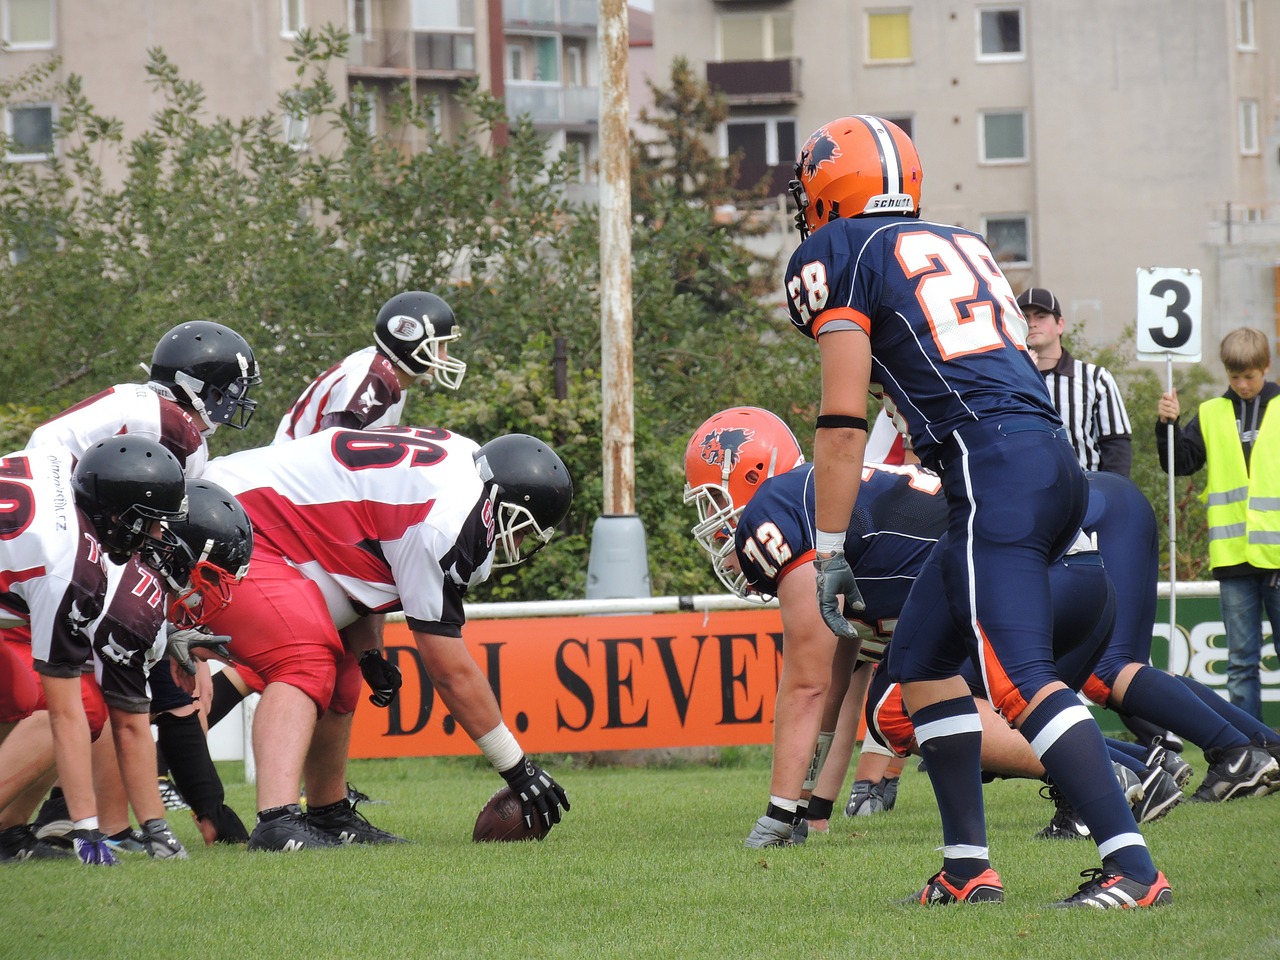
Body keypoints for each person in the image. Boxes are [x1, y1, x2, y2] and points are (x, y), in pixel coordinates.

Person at [784, 115, 1169, 908]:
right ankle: (967, 869)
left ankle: (1135, 869)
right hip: (1041, 460)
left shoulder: (841, 249)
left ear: (831, 187)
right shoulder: (962, 241)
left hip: (990, 467)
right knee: (920, 662)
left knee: (1020, 681)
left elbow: (842, 422)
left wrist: (828, 546)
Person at [200, 426, 573, 851]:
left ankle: (329, 812)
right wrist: (516, 768)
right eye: (522, 529)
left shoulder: (464, 462)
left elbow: (369, 543)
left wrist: (370, 650)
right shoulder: (449, 523)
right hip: (231, 520)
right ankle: (277, 822)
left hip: (255, 512)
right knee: (303, 661)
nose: (517, 542)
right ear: (501, 505)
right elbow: (449, 669)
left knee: (342, 668)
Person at [24, 319, 261, 846]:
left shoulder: (146, 408)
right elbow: (165, 522)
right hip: (64, 545)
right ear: (199, 385)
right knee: (108, 686)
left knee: (111, 685)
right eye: (227, 392)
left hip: (52, 531)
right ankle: (84, 818)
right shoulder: (177, 431)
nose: (232, 406)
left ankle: (89, 819)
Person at [3, 437, 189, 865]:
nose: (157, 534)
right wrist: (87, 825)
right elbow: (67, 713)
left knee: (15, 695)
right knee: (79, 706)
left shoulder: (55, 460)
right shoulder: (72, 567)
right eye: (150, 521)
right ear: (116, 512)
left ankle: (8, 832)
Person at [1075, 469, 1280, 801]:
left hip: (1092, 510)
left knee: (1107, 671)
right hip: (1105, 499)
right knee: (1129, 670)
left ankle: (1237, 754)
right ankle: (1263, 744)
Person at [1157, 326, 1280, 723]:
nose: (1243, 385)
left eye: (1250, 376)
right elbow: (1180, 463)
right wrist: (1168, 426)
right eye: (1234, 377)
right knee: (1241, 663)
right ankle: (1255, 750)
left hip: (1278, 557)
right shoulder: (1210, 413)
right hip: (1233, 560)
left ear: (1266, 367)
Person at [273, 291, 466, 443]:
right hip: (291, 481)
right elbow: (333, 450)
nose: (444, 357)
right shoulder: (373, 376)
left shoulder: (386, 372)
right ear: (409, 343)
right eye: (438, 345)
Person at [1018, 287, 1133, 477]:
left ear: (1060, 325)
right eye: (1025, 318)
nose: (1032, 324)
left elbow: (1116, 447)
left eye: (1041, 317)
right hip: (1028, 496)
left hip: (1086, 494)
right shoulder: (1008, 381)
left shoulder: (1095, 379)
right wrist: (1023, 376)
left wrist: (1109, 498)